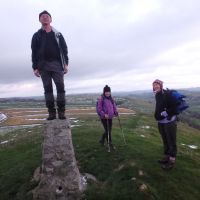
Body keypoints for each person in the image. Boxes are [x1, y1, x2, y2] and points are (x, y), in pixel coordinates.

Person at [31, 10, 68, 120]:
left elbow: (64, 49)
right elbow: (34, 52)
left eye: (47, 16)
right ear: (40, 20)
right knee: (48, 89)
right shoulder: (36, 36)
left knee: (60, 87)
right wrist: (35, 67)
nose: (45, 17)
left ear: (51, 19)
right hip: (43, 66)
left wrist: (66, 63)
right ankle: (51, 113)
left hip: (57, 64)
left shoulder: (58, 34)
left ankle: (61, 112)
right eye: (42, 16)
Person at [153, 79, 177, 170]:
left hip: (169, 122)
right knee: (165, 140)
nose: (155, 86)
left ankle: (171, 161)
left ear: (161, 85)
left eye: (157, 85)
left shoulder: (167, 94)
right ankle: (166, 157)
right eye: (154, 85)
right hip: (161, 122)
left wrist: (165, 113)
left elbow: (174, 107)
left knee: (171, 141)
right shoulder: (157, 95)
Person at [96, 85, 118, 151]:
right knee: (108, 131)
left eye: (108, 92)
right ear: (104, 92)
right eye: (106, 92)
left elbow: (114, 106)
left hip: (110, 117)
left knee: (108, 130)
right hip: (104, 118)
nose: (107, 93)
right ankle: (110, 143)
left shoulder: (111, 98)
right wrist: (103, 114)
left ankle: (102, 140)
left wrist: (116, 112)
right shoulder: (101, 98)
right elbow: (98, 109)